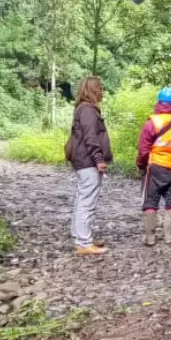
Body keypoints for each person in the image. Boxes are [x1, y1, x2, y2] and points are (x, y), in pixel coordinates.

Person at [136, 87, 171, 246]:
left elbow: (143, 148)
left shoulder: (152, 122)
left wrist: (141, 165)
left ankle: (150, 238)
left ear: (159, 103)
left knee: (150, 201)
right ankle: (170, 237)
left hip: (154, 167)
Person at [64, 76, 113, 256]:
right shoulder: (88, 110)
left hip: (82, 160)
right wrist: (99, 159)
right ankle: (84, 243)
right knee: (87, 202)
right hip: (88, 161)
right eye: (100, 88)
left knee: (82, 199)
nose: (102, 91)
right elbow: (91, 137)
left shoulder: (82, 108)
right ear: (94, 89)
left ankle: (81, 238)